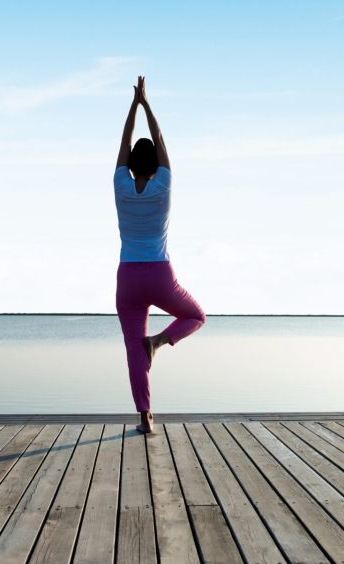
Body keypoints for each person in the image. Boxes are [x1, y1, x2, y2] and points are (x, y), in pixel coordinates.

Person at [114, 75, 205, 435]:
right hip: (160, 275)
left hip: (128, 278)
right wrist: (147, 104)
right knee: (195, 316)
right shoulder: (164, 184)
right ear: (155, 165)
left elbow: (123, 143)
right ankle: (159, 341)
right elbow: (162, 141)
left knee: (133, 350)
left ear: (131, 166)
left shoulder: (120, 184)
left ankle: (145, 418)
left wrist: (132, 107)